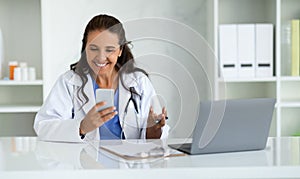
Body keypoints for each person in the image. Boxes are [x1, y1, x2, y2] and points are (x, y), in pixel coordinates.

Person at [34, 14, 169, 142]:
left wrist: (153, 130)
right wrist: (82, 127)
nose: (101, 57)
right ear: (85, 48)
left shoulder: (138, 82)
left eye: (109, 50)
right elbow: (43, 127)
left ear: (120, 50)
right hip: (84, 162)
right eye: (93, 48)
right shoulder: (69, 82)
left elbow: (155, 137)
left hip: (128, 163)